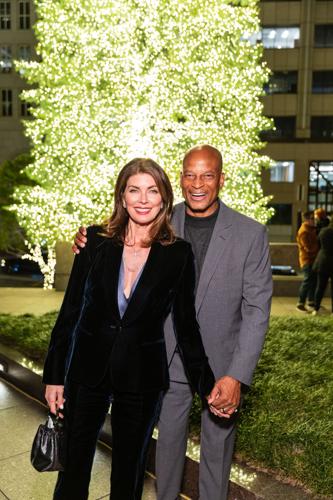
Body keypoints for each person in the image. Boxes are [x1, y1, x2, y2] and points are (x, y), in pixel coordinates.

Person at [73, 145, 272, 500]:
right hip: (162, 359)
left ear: (221, 180)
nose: (198, 183)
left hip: (220, 366)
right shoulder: (155, 218)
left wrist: (237, 374)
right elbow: (114, 245)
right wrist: (87, 240)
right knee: (166, 448)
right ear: (179, 180)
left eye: (207, 175)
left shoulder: (250, 234)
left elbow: (257, 310)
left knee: (217, 450)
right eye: (189, 174)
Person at [43, 158, 217, 500]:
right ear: (121, 197)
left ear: (164, 199)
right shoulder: (93, 241)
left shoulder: (178, 254)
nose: (143, 199)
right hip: (86, 370)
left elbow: (186, 324)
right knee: (73, 469)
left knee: (128, 472)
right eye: (134, 190)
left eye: (152, 191)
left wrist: (207, 383)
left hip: (141, 377)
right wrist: (54, 375)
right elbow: (71, 312)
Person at [296, 211, 319, 312]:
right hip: (307, 260)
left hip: (312, 260)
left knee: (313, 280)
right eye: (312, 219)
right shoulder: (304, 231)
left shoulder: (311, 229)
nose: (314, 221)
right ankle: (300, 303)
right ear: (307, 219)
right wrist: (318, 249)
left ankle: (311, 301)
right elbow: (308, 248)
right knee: (307, 280)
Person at [312, 219, 333, 316]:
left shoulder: (323, 231)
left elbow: (318, 245)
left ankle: (316, 309)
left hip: (322, 261)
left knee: (320, 287)